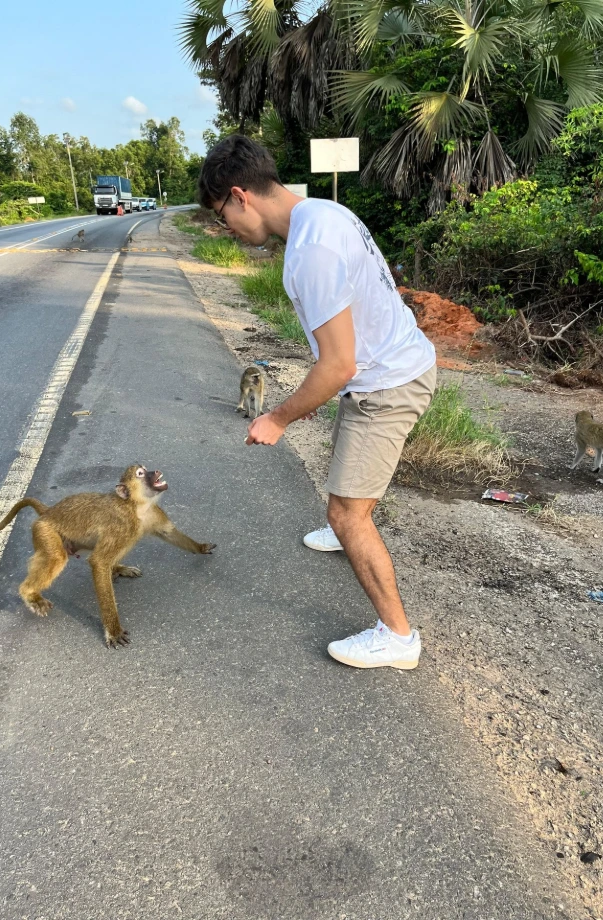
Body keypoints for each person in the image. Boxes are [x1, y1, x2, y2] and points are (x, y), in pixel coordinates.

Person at [198, 136, 436, 670]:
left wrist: (276, 417)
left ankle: (397, 638)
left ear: (239, 196)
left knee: (346, 513)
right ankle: (347, 525)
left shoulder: (311, 251)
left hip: (385, 383)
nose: (226, 227)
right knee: (347, 468)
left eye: (221, 215)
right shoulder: (323, 213)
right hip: (389, 364)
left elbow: (337, 365)